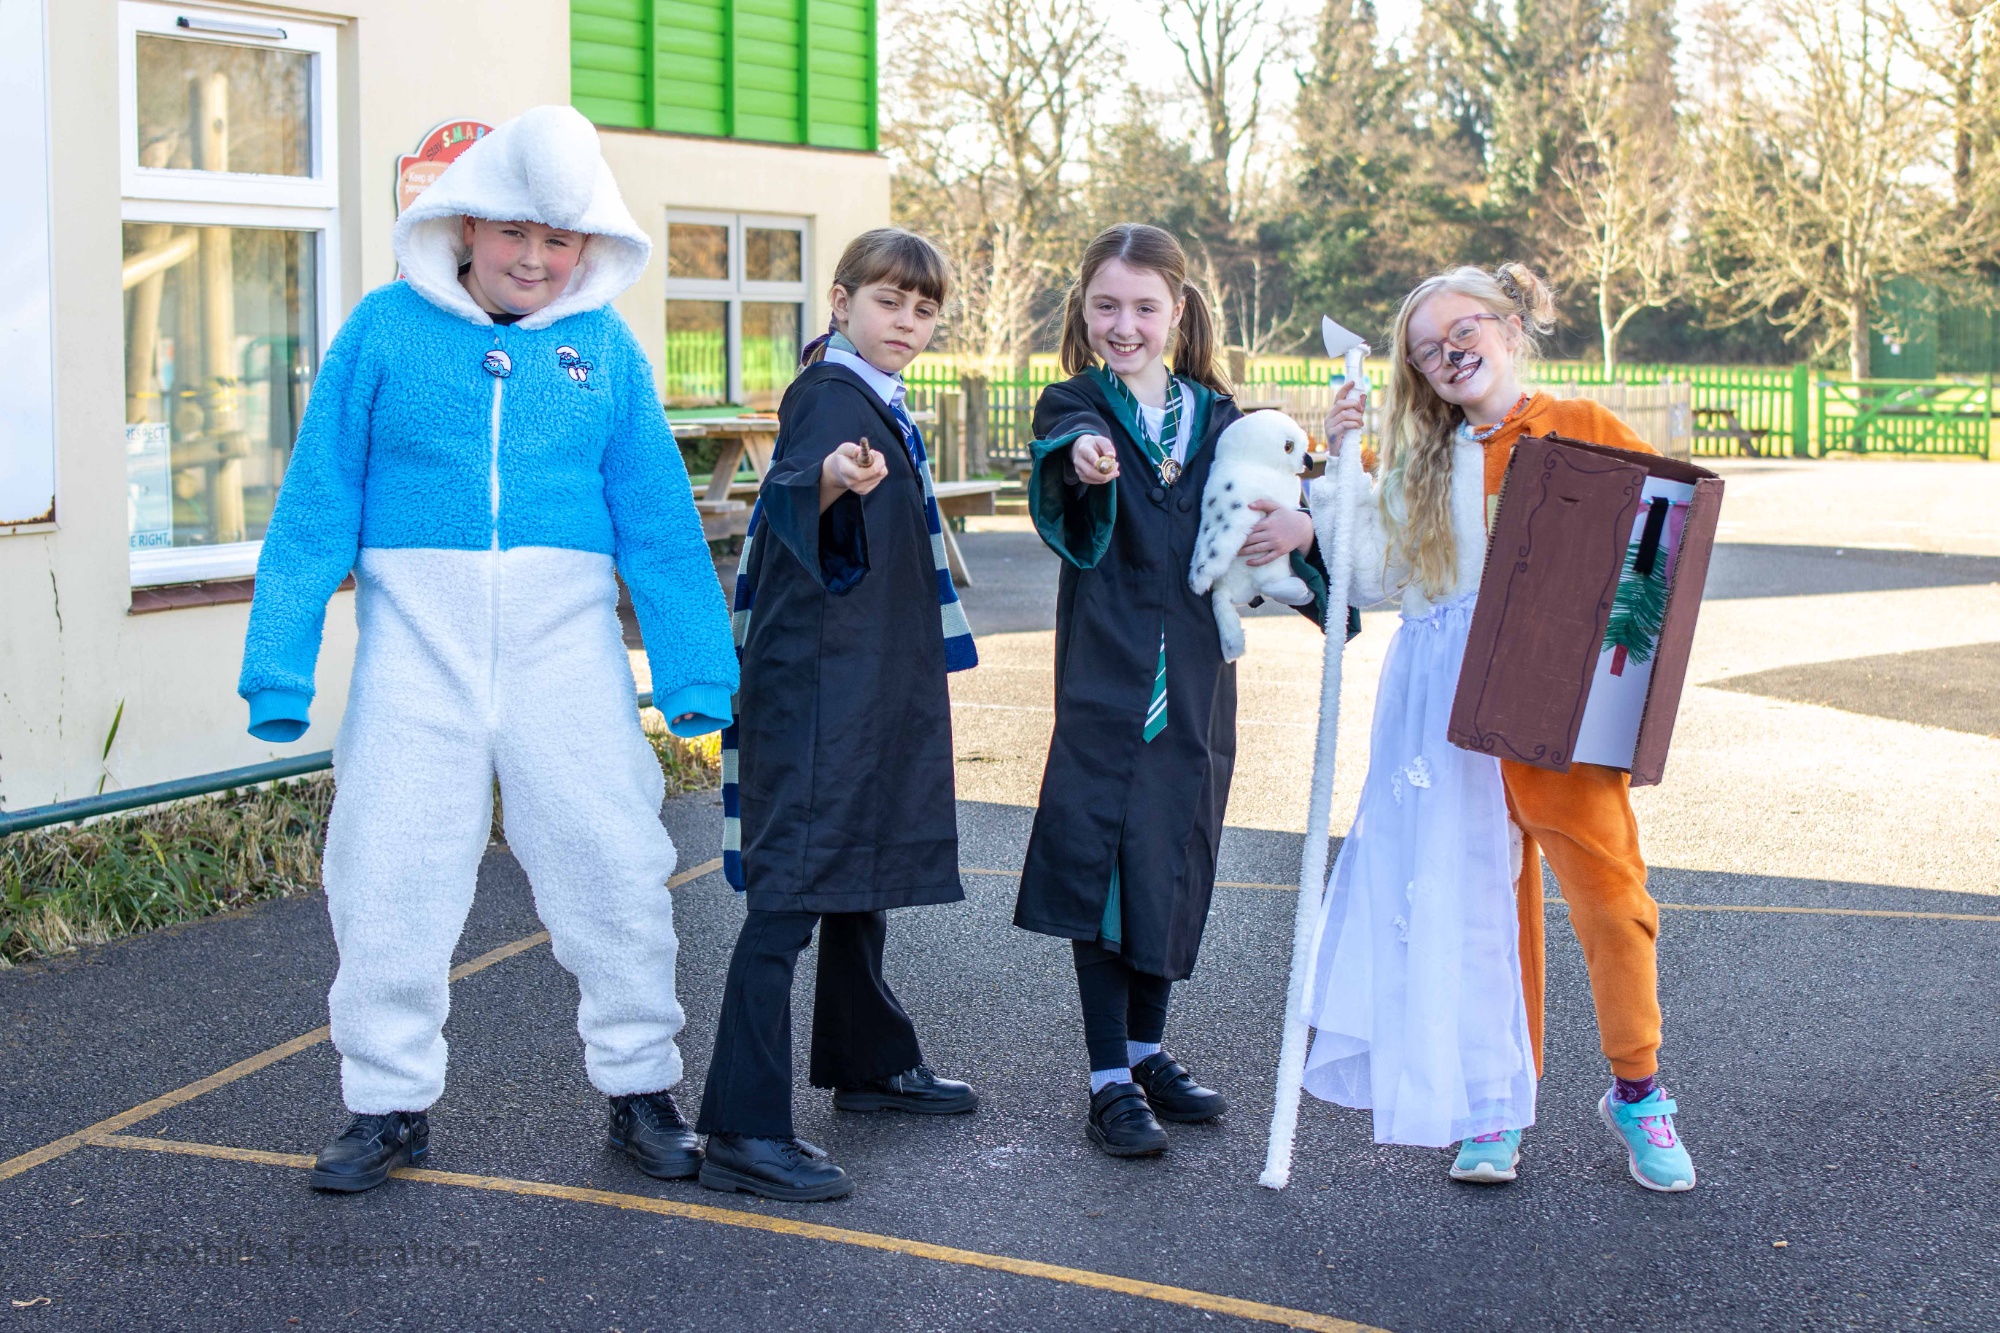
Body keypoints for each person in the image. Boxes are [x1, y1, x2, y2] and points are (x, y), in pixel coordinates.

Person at [238, 106, 737, 1192]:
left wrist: (697, 669)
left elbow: (654, 517)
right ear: (462, 226)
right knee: (386, 875)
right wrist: (277, 666)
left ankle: (641, 1090)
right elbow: (315, 501)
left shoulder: (602, 349)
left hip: (567, 663)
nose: (534, 258)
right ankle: (385, 1105)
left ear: (588, 245)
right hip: (417, 663)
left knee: (615, 869)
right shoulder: (381, 331)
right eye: (513, 233)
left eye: (558, 240)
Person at [1313, 262, 1696, 1193]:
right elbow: (1372, 580)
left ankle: (1638, 1088)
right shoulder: (1425, 463)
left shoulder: (1586, 430)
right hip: (1458, 713)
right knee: (1481, 906)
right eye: (1423, 350)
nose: (1446, 355)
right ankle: (1493, 1102)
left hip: (1560, 712)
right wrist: (1337, 471)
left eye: (1461, 333)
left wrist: (1623, 684)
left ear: (1511, 327)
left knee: (1610, 898)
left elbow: (1654, 548)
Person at [1015, 224, 1334, 1157]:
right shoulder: (1075, 403)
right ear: (1083, 309)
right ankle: (1107, 1076)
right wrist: (1079, 460)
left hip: (1193, 668)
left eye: (1144, 307)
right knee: (1104, 855)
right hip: (1110, 668)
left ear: (1179, 311)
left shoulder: (1218, 413)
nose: (1125, 325)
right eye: (1106, 306)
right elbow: (1063, 453)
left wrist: (1297, 533)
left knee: (1171, 847)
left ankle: (1149, 1050)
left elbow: (1263, 493)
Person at [696, 229, 979, 1203]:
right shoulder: (829, 397)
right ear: (841, 299)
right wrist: (830, 479)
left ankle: (868, 1064)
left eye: (923, 308)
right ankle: (740, 1124)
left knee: (858, 869)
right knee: (794, 891)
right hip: (814, 686)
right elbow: (791, 487)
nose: (906, 322)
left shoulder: (876, 398)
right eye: (889, 301)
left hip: (867, 678)